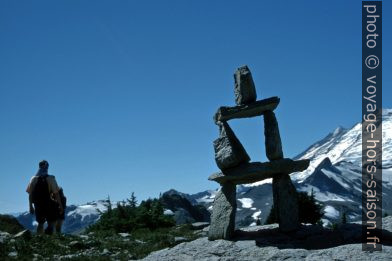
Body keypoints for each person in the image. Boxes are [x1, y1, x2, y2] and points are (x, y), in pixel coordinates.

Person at [26, 160, 64, 235]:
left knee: (40, 223)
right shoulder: (51, 178)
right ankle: (49, 240)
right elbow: (56, 194)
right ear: (47, 167)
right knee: (51, 222)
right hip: (48, 203)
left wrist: (30, 206)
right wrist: (60, 205)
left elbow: (30, 194)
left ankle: (39, 239)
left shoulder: (33, 179)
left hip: (38, 204)